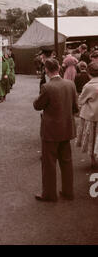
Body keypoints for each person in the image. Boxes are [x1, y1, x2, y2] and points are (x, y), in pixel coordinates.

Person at [33, 58, 78, 202]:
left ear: (46, 70)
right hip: (66, 128)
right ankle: (68, 191)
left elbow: (37, 105)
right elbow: (75, 107)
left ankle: (49, 194)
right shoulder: (70, 84)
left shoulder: (47, 87)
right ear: (59, 68)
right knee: (66, 161)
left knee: (49, 163)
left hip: (51, 131)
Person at [76, 62, 98, 169]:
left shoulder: (88, 86)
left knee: (91, 138)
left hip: (91, 116)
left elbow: (80, 100)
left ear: (89, 73)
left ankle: (93, 159)